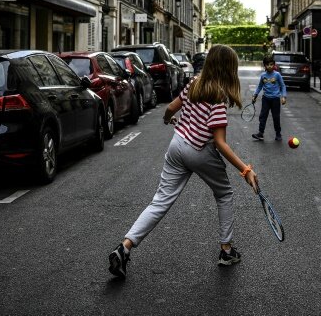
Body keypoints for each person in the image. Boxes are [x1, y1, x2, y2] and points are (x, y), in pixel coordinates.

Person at [108, 44, 258, 279]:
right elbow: (220, 143)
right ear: (229, 69)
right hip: (200, 150)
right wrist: (245, 169)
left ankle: (125, 247)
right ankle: (226, 251)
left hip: (177, 145)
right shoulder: (218, 97)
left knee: (160, 201)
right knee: (225, 194)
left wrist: (169, 119)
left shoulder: (195, 83)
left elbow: (170, 108)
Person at [251, 55, 287, 142]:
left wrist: (283, 97)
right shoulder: (263, 75)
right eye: (267, 65)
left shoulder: (277, 75)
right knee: (263, 116)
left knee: (276, 117)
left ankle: (278, 134)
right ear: (265, 66)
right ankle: (260, 133)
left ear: (274, 65)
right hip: (265, 99)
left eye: (271, 64)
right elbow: (259, 86)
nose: (269, 66)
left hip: (275, 99)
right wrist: (255, 95)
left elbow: (282, 86)